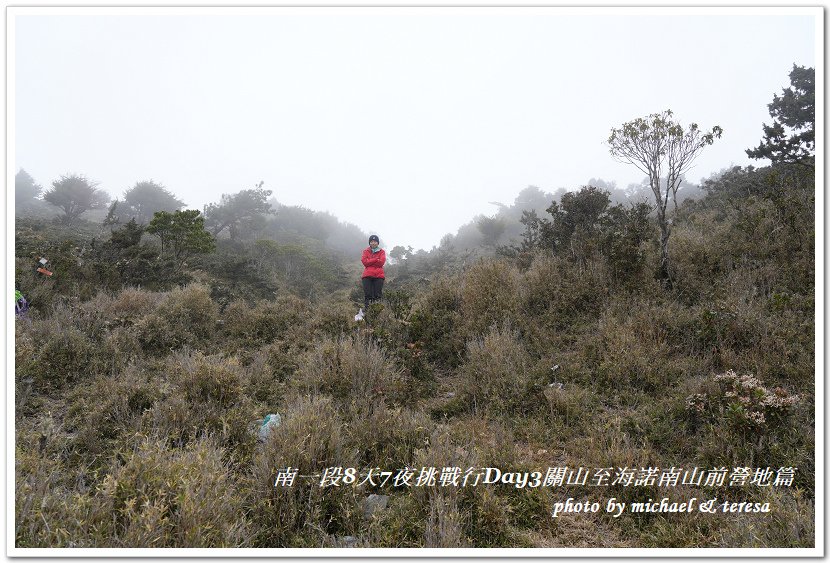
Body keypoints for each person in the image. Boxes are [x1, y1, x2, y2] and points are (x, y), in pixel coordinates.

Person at [361, 234, 386, 311]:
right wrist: (376, 259)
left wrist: (370, 261)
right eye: (371, 241)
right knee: (367, 295)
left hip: (379, 276)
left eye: (375, 241)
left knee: (377, 295)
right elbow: (364, 262)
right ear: (369, 243)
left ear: (378, 243)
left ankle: (377, 313)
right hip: (367, 276)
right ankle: (367, 313)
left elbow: (381, 262)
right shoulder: (365, 251)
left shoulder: (382, 252)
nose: (373, 243)